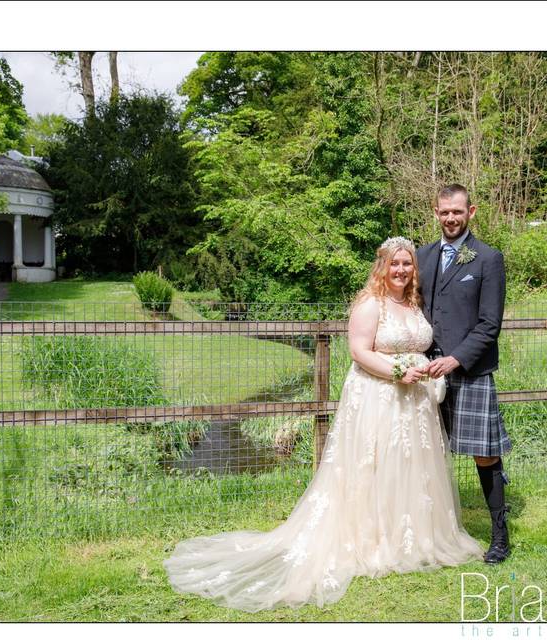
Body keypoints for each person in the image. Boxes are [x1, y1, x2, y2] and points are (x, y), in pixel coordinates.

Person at [163, 237, 483, 612]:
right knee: (375, 465)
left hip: (415, 403)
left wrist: (424, 369)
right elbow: (360, 352)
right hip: (378, 397)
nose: (401, 270)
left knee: (410, 468)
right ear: (382, 266)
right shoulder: (369, 304)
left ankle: (412, 539)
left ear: (415, 268)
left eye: (407, 264)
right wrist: (398, 371)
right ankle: (371, 540)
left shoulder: (413, 303)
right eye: (394, 264)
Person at [417, 184, 513, 565]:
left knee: (484, 455)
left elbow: (490, 324)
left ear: (471, 211)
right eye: (444, 212)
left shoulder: (488, 259)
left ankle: (499, 536)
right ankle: (429, 534)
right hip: (425, 373)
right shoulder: (422, 256)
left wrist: (455, 359)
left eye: (457, 211)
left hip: (469, 370)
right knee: (424, 453)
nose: (451, 218)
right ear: (436, 212)